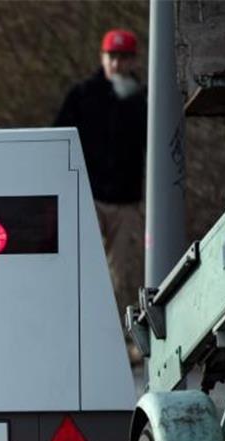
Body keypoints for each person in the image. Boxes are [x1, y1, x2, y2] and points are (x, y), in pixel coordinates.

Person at [54, 28, 147, 357]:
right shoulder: (82, 95)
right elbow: (59, 138)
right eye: (112, 57)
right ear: (102, 58)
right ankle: (81, 337)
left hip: (126, 201)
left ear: (133, 59)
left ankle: (115, 342)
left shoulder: (142, 99)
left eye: (124, 57)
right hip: (87, 197)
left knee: (121, 276)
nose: (118, 63)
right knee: (84, 269)